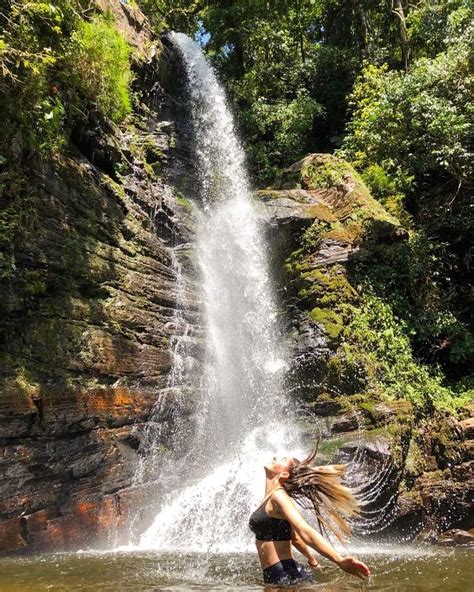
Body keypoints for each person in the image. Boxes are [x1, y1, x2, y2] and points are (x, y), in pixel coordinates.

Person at [249, 443, 371, 586]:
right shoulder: (269, 498)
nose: (275, 457)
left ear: (284, 474)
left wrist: (339, 560)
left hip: (284, 574)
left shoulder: (279, 497)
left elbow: (304, 530)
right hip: (277, 574)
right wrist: (311, 559)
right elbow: (294, 538)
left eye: (282, 459)